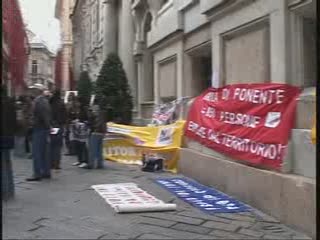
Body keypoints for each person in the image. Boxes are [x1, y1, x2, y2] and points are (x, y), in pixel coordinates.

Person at [26, 84, 52, 181]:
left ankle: (37, 173)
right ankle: (46, 171)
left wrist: (46, 126)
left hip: (39, 128)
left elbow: (43, 116)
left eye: (33, 90)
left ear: (37, 91)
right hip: (44, 128)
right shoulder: (45, 101)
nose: (31, 92)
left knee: (37, 152)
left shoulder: (38, 101)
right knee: (44, 152)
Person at [1, 85, 17, 200]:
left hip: (2, 135)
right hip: (9, 136)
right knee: (7, 162)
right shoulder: (11, 104)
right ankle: (10, 189)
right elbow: (15, 121)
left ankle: (4, 191)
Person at [49, 89, 66, 169]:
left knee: (52, 144)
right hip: (59, 125)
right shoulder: (61, 103)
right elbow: (64, 115)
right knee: (58, 145)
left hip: (53, 125)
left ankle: (51, 162)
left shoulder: (50, 102)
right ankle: (57, 164)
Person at [88, 104, 107, 169]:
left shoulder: (95, 116)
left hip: (95, 133)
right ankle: (100, 164)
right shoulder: (102, 115)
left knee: (93, 149)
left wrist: (93, 128)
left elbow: (94, 124)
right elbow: (104, 124)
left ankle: (91, 164)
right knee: (99, 150)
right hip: (101, 133)